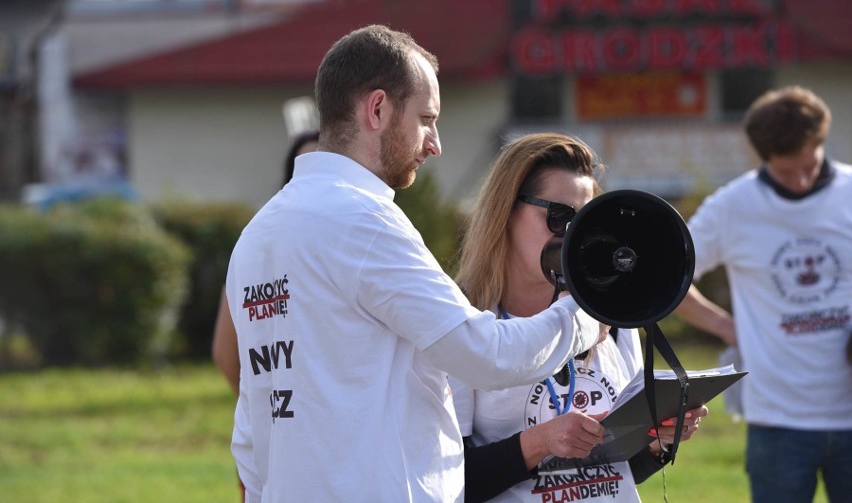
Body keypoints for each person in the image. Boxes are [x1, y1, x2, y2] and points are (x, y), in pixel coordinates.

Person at [224, 25, 607, 502]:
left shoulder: (257, 235)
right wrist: (586, 312)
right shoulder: (363, 221)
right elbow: (486, 355)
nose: (435, 143)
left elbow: (255, 420)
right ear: (378, 109)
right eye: (427, 118)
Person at [450, 132, 708, 503]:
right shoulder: (463, 322)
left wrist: (656, 439)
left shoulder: (611, 316)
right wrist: (539, 442)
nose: (573, 235)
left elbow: (614, 471)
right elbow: (443, 479)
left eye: (585, 219)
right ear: (506, 213)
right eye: (559, 217)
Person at [675, 86, 852, 503]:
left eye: (808, 165)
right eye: (787, 172)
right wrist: (724, 325)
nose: (802, 180)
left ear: (821, 141)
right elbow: (669, 280)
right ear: (761, 156)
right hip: (777, 420)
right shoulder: (732, 207)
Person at [212, 130, 320, 396]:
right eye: (305, 169)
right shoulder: (261, 245)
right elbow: (225, 351)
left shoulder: (362, 238)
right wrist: (261, 409)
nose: (315, 181)